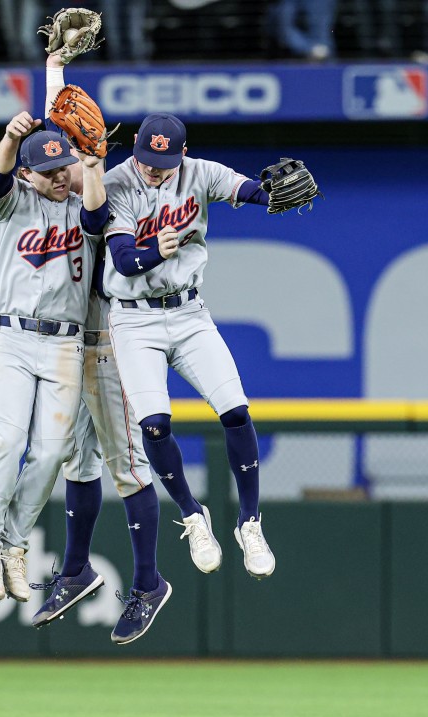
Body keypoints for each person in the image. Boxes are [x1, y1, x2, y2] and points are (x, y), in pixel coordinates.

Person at [100, 112, 284, 602]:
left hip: (189, 313)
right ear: (135, 146)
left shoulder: (199, 172)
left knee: (236, 410)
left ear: (180, 153)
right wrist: (155, 251)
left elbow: (247, 189)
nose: (153, 169)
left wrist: (272, 196)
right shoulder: (115, 182)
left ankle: (249, 522)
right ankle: (192, 514)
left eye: (163, 161)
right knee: (154, 423)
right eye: (145, 158)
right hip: (133, 318)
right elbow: (122, 260)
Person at [23, 50, 170, 646]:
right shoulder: (54, 179)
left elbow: (84, 173)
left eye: (80, 147)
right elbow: (53, 136)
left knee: (127, 467)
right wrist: (54, 66)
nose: (64, 164)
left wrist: (92, 156)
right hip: (68, 349)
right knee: (76, 464)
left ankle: (147, 583)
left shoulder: (101, 190)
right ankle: (77, 569)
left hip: (108, 344)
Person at [0, 110, 107, 604]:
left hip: (65, 343)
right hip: (15, 338)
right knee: (6, 439)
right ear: (27, 173)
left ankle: (13, 544)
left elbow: (96, 217)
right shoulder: (10, 205)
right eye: (48, 171)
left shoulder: (81, 201)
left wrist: (90, 166)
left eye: (63, 167)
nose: (58, 176)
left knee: (50, 453)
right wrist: (9, 137)